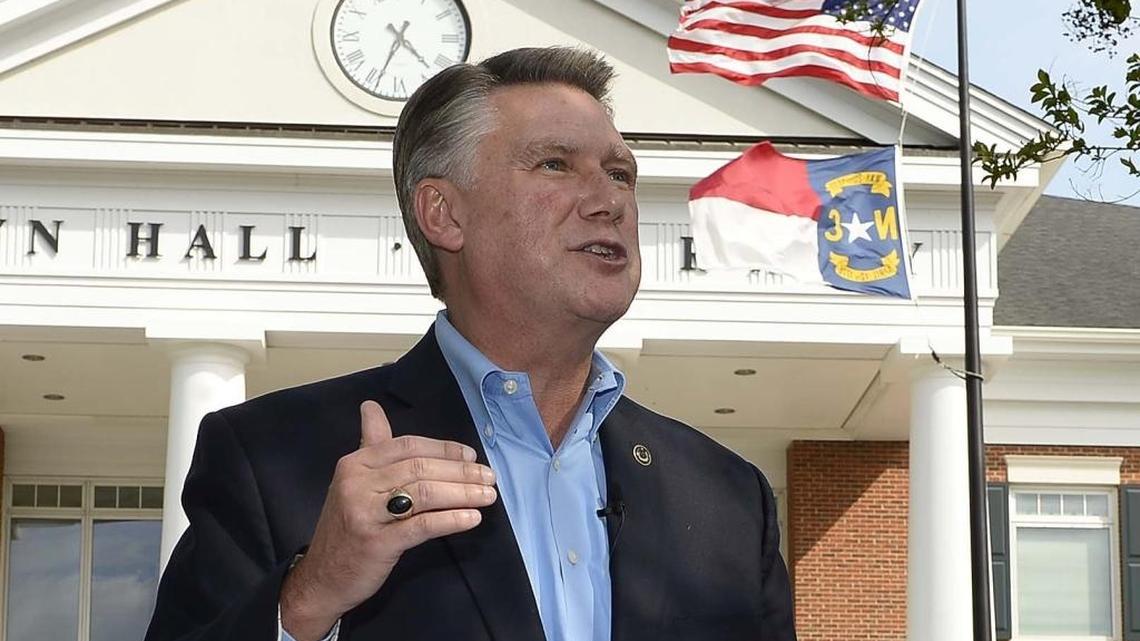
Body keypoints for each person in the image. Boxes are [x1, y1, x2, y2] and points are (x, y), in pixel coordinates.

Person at [144, 46, 795, 641]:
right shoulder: (271, 458)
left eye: (620, 173)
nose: (609, 201)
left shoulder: (730, 500)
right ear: (444, 214)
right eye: (555, 163)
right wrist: (312, 595)